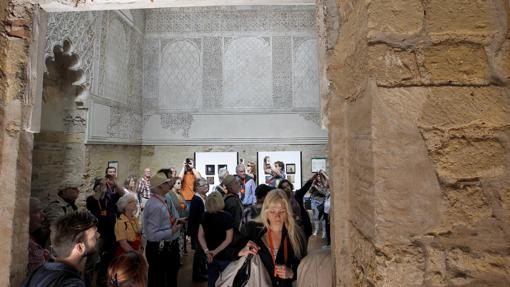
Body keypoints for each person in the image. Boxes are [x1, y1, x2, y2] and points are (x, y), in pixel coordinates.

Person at [237, 189, 306, 287]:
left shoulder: (296, 235)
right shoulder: (251, 230)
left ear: (288, 212)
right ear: (265, 211)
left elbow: (304, 266)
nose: (277, 216)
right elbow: (229, 252)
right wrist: (240, 251)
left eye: (282, 211)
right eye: (272, 211)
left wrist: (292, 273)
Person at [22, 211, 99, 287]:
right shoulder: (72, 283)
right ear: (80, 247)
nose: (98, 235)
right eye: (93, 237)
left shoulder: (38, 272)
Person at [143, 172, 185, 287]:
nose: (170, 184)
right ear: (160, 186)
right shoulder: (156, 205)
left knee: (168, 278)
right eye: (167, 183)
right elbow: (152, 235)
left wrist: (176, 222)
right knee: (160, 280)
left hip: (165, 248)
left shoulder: (161, 201)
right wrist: (172, 230)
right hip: (160, 250)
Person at [198, 192, 234, 287]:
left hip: (210, 255)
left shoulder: (205, 216)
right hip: (225, 255)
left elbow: (200, 236)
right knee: (226, 282)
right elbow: (228, 239)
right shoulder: (227, 216)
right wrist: (215, 251)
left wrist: (207, 251)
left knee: (212, 280)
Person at [188, 177, 209, 281]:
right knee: (199, 253)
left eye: (206, 185)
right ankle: (197, 275)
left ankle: (202, 270)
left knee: (201, 253)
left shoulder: (202, 198)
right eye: (203, 185)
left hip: (200, 231)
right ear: (197, 188)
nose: (206, 187)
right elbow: (197, 219)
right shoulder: (197, 200)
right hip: (197, 232)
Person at [165, 176, 189, 257]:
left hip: (182, 220)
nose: (180, 185)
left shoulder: (180, 193)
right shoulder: (169, 195)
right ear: (173, 184)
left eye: (180, 183)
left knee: (181, 238)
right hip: (175, 221)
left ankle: (180, 255)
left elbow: (184, 205)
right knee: (176, 239)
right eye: (178, 183)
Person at [27, 197, 51, 274]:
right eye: (36, 211)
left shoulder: (36, 236)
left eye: (42, 211)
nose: (43, 215)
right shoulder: (27, 245)